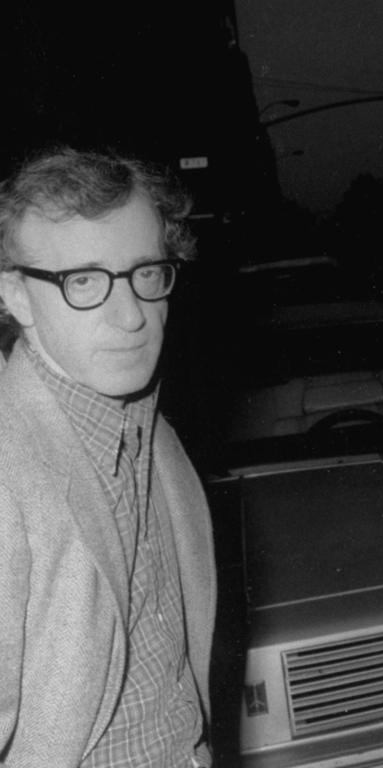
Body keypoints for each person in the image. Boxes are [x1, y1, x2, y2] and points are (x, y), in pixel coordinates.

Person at [0, 147, 216, 766]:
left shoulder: (157, 437)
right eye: (84, 282)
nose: (132, 316)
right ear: (17, 295)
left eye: (146, 273)